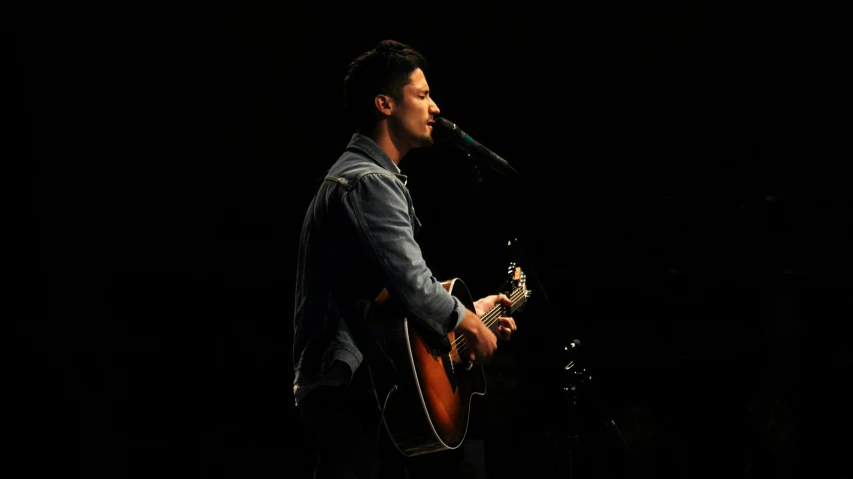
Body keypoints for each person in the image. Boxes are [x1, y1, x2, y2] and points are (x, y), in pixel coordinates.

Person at [292, 39, 518, 479]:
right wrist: (468, 324)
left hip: (365, 377)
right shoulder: (368, 181)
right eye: (423, 95)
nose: (435, 108)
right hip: (351, 380)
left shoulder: (371, 179)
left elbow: (394, 297)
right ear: (385, 104)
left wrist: (472, 310)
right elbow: (411, 283)